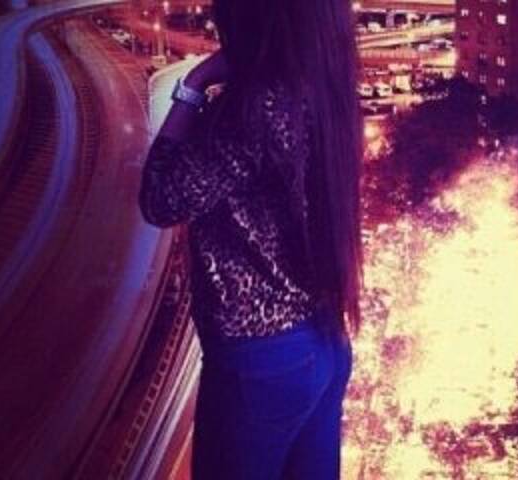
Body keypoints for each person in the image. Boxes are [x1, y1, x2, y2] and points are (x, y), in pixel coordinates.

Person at [138, 0, 364, 478]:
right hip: (323, 341)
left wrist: (194, 85)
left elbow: (161, 198)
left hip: (261, 362)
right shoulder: (324, 89)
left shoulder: (254, 107)